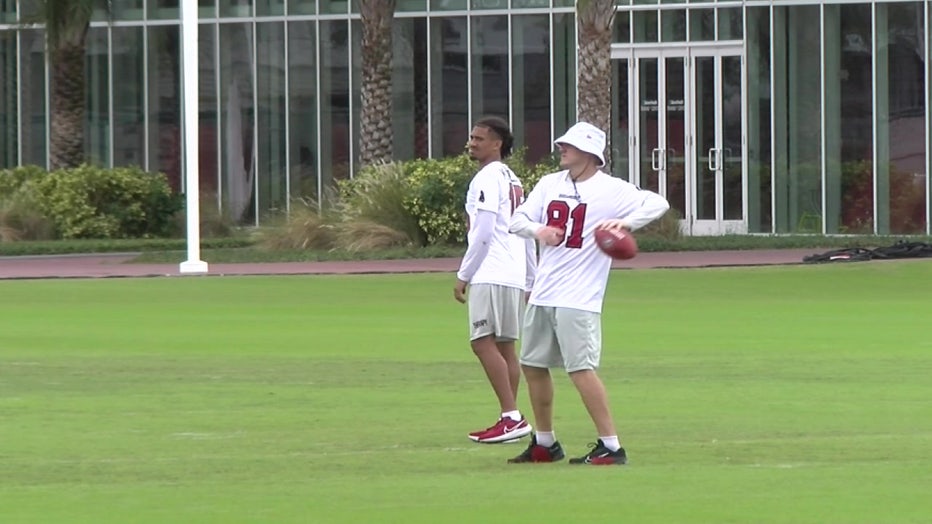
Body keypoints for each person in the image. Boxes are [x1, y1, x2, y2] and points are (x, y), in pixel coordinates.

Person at [506, 121, 670, 465]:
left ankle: (611, 446)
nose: (562, 148)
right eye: (563, 144)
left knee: (580, 369)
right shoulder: (550, 183)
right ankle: (545, 442)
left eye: (570, 145)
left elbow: (658, 203)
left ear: (590, 153)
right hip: (544, 292)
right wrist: (541, 231)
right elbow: (517, 220)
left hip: (579, 297)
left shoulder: (611, 189)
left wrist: (625, 223)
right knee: (532, 365)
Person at [454, 116, 537, 444]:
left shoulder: (489, 177)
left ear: (497, 143)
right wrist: (529, 277)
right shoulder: (513, 179)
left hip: (493, 271)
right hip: (512, 272)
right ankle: (511, 418)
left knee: (481, 341)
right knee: (505, 346)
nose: (472, 143)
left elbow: (484, 232)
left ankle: (511, 416)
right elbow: (526, 230)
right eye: (471, 137)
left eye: (479, 138)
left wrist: (464, 274)